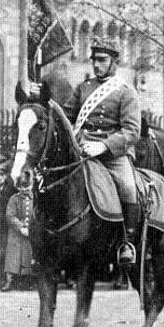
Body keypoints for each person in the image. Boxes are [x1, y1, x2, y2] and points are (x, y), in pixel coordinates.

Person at [60, 37, 141, 265]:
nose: (96, 65)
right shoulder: (84, 88)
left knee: (128, 186)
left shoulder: (126, 92)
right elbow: (67, 115)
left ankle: (127, 241)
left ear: (114, 62)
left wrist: (104, 146)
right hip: (83, 148)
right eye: (94, 60)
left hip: (112, 154)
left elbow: (132, 132)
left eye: (102, 60)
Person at [2, 168, 34, 291]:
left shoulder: (35, 198)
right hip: (16, 233)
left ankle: (27, 281)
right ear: (19, 187)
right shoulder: (14, 199)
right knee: (12, 255)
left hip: (31, 232)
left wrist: (31, 228)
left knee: (28, 255)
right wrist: (20, 227)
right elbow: (10, 215)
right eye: (22, 187)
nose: (25, 189)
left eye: (27, 186)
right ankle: (9, 281)